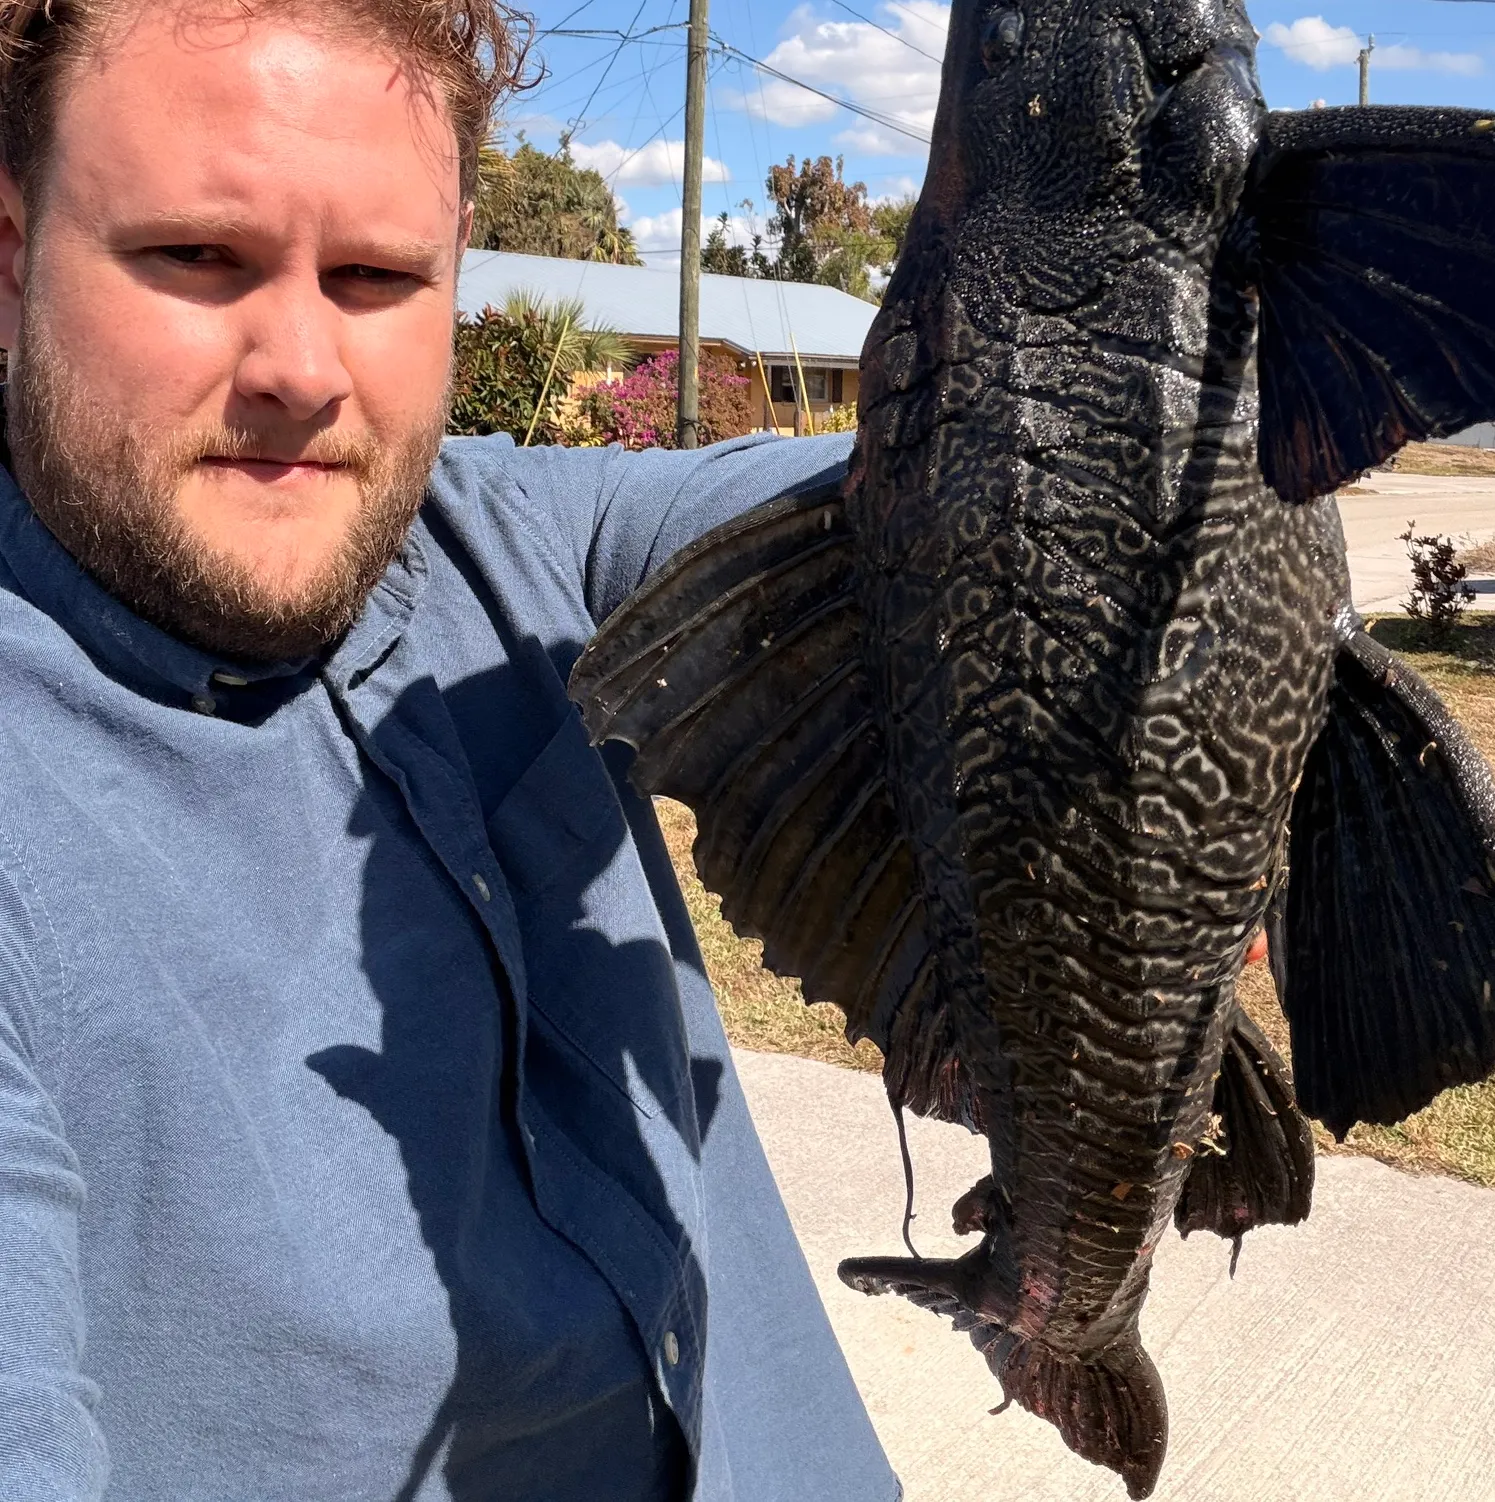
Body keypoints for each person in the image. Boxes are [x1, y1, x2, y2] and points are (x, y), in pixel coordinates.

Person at [0, 0, 899, 1497]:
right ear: (13, 249)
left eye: (374, 276)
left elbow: (965, 500)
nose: (299, 363)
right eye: (195, 258)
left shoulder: (511, 532)